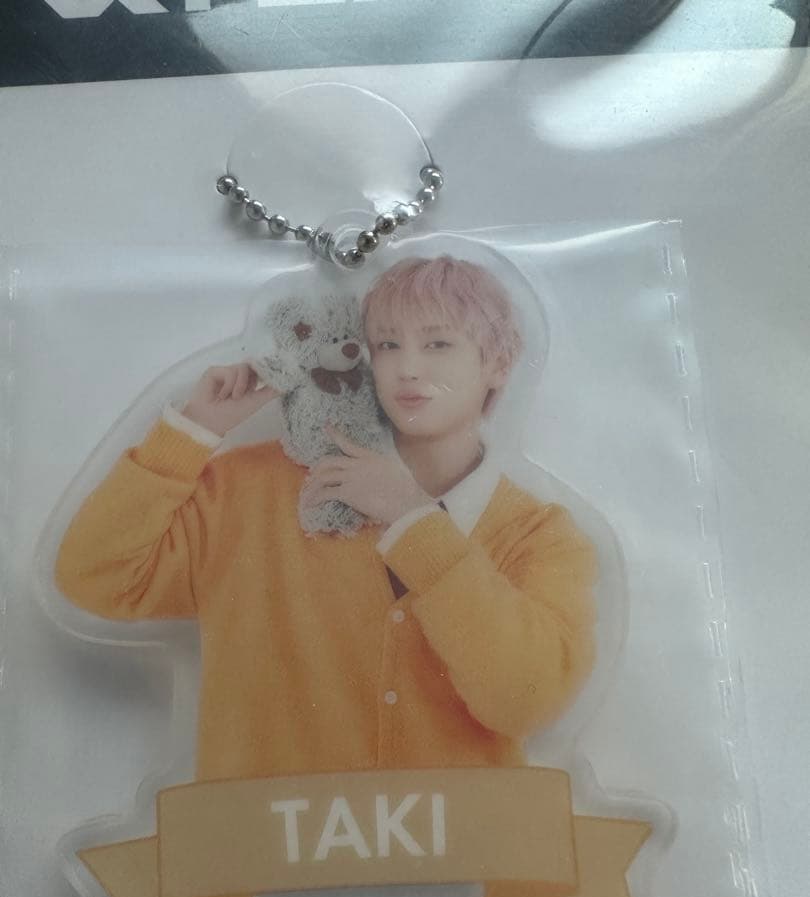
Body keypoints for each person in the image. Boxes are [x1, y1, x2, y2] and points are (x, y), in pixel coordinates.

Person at [55, 255, 597, 783]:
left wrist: (414, 520)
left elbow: (526, 701)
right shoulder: (248, 490)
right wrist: (193, 429)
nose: (408, 368)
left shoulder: (540, 535)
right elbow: (95, 577)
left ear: (499, 362)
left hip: (466, 842)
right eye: (387, 345)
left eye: (437, 344)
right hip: (264, 841)